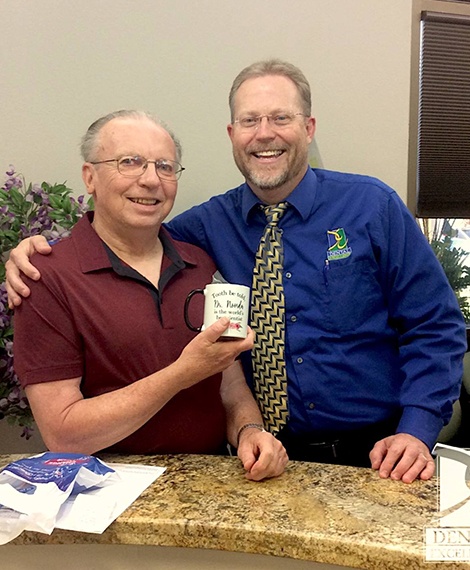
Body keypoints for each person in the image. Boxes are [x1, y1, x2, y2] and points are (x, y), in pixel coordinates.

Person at [7, 60, 466, 483]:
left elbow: (436, 324)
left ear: (308, 128)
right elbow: (127, 229)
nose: (264, 134)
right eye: (250, 121)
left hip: (381, 453)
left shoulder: (372, 207)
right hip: (261, 459)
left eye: (280, 118)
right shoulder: (205, 229)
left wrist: (417, 428)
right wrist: (47, 249)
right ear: (232, 133)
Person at [10, 110, 287, 482]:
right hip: (107, 501)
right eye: (130, 162)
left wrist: (249, 431)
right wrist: (181, 373)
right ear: (89, 177)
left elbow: (230, 385)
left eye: (165, 167)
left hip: (213, 486)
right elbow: (64, 434)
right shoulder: (44, 278)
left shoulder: (200, 263)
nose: (151, 180)